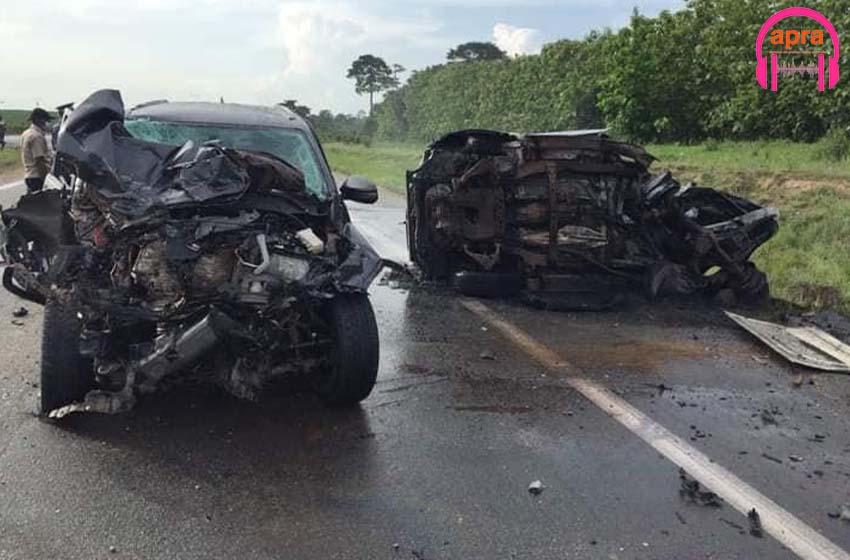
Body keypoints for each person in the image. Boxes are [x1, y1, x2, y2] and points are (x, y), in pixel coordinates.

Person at [20, 108, 53, 193]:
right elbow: (39, 160)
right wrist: (46, 180)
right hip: (37, 177)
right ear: (40, 120)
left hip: (29, 175)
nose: (47, 124)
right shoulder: (37, 136)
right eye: (46, 121)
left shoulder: (26, 133)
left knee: (32, 204)